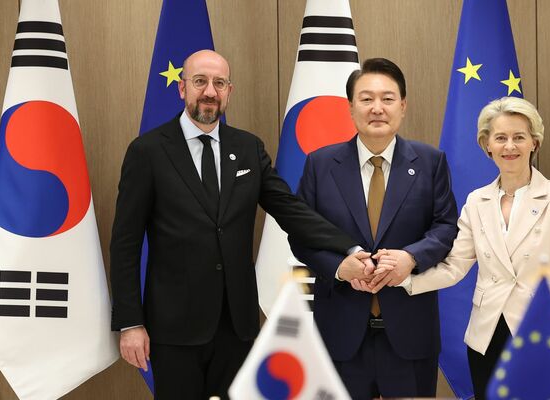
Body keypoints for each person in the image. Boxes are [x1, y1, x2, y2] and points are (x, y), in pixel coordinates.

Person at [109, 50, 367, 400]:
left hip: (237, 325)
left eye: (219, 83)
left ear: (229, 91)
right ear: (182, 88)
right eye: (200, 81)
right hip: (173, 329)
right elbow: (125, 243)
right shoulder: (148, 151)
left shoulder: (247, 148)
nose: (210, 92)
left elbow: (289, 209)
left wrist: (348, 247)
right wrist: (130, 323)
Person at [393, 97, 550, 399]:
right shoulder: (476, 201)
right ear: (487, 145)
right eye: (500, 138)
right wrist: (404, 278)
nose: (509, 146)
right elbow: (454, 266)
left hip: (540, 332)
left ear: (534, 143)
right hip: (486, 334)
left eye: (519, 137)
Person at [288, 58, 458, 398]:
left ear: (403, 106)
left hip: (410, 332)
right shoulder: (321, 165)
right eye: (366, 99)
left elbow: (445, 227)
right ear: (351, 108)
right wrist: (338, 267)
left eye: (387, 98)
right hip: (340, 333)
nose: (377, 108)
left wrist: (411, 257)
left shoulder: (430, 161)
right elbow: (301, 235)